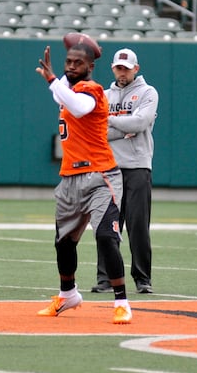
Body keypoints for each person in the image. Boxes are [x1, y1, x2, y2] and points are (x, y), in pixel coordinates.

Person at [34, 41, 132, 324]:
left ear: (91, 67)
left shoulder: (93, 90)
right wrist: (59, 75)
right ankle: (68, 295)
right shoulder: (69, 90)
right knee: (63, 243)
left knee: (105, 237)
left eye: (78, 62)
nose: (71, 66)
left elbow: (77, 107)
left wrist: (54, 78)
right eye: (69, 61)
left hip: (100, 176)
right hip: (70, 178)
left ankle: (122, 302)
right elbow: (62, 96)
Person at [92, 48, 158, 295]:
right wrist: (123, 127)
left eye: (127, 68)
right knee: (106, 225)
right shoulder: (104, 95)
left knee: (138, 226)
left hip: (138, 166)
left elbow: (140, 123)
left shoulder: (147, 92)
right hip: (109, 167)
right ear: (112, 68)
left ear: (136, 69)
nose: (122, 73)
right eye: (118, 68)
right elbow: (96, 131)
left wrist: (109, 121)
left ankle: (142, 278)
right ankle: (105, 279)